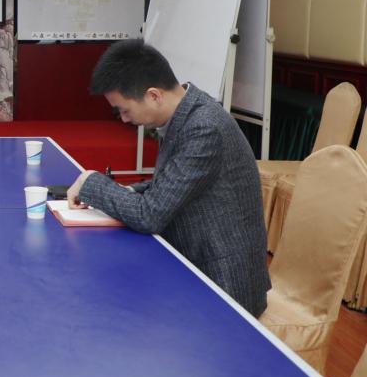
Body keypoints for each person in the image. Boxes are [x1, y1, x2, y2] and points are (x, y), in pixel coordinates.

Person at [65, 39, 270, 317]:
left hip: (224, 287)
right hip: (196, 264)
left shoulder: (204, 128)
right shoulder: (185, 113)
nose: (123, 119)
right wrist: (127, 192)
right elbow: (174, 183)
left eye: (124, 110)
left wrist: (91, 182)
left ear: (153, 96)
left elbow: (150, 215)